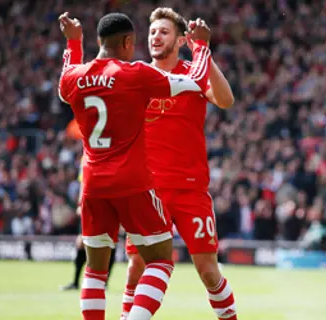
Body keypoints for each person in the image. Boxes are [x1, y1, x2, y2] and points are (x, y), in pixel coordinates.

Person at [57, 11, 212, 320]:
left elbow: (67, 77)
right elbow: (196, 80)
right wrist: (202, 47)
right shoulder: (134, 74)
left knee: (96, 270)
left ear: (99, 41)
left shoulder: (73, 78)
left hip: (92, 185)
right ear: (127, 42)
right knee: (160, 260)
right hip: (132, 182)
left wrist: (74, 41)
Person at [120, 8, 237, 320]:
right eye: (153, 32)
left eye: (164, 32)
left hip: (190, 190)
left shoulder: (193, 74)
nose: (155, 37)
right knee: (136, 268)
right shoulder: (137, 77)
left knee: (208, 272)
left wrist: (204, 52)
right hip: (148, 192)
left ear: (182, 39)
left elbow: (226, 100)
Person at [60, 156, 116, 291]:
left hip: (110, 200)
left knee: (110, 242)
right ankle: (75, 281)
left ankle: (104, 282)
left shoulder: (111, 151)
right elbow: (83, 181)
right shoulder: (86, 156)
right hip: (91, 202)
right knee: (81, 242)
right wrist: (81, 203)